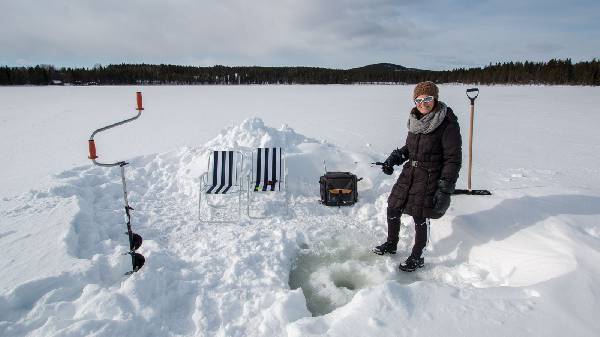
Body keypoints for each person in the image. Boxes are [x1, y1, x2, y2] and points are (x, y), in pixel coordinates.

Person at [373, 81, 462, 272]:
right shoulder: (415, 120)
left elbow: (453, 159)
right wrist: (394, 158)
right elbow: (411, 148)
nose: (423, 103)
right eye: (419, 100)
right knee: (393, 207)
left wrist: (445, 188)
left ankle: (417, 256)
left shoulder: (447, 123)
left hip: (430, 176)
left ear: (435, 99)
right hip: (410, 173)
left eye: (427, 99)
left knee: (420, 216)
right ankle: (391, 243)